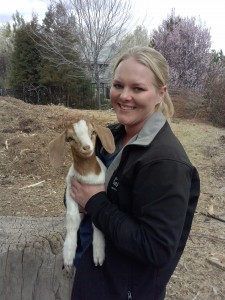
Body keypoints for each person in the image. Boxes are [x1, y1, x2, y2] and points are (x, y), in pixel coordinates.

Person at [68, 46, 200, 300]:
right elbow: (76, 190)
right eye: (118, 85)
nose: (124, 96)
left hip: (125, 290)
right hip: (94, 275)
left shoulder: (165, 162)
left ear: (160, 93)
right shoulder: (109, 137)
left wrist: (95, 202)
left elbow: (156, 248)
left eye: (137, 88)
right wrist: (81, 200)